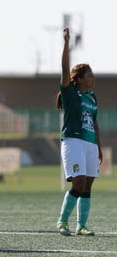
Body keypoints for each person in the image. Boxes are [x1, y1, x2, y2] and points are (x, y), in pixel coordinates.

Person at [55, 27, 102, 236]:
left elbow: (95, 122)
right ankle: (62, 221)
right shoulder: (70, 92)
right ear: (80, 78)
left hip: (90, 144)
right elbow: (65, 68)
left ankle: (81, 226)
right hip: (73, 142)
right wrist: (66, 43)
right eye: (89, 74)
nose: (93, 77)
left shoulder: (92, 97)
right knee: (79, 182)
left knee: (88, 186)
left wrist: (99, 147)